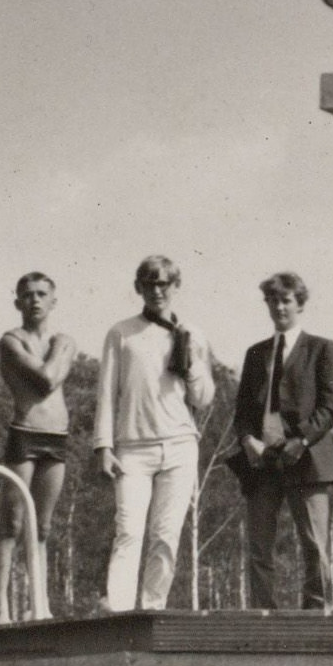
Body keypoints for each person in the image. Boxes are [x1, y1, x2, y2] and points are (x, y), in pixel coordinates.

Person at [94, 256, 215, 613]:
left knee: (165, 536)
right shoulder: (121, 333)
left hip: (179, 446)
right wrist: (103, 445)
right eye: (150, 283)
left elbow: (204, 399)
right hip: (133, 448)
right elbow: (106, 391)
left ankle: (152, 609)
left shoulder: (191, 333)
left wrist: (191, 362)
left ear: (176, 287)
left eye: (165, 283)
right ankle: (118, 613)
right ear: (138, 288)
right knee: (128, 532)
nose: (157, 290)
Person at [231, 273, 333, 610]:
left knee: (314, 545)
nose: (279, 307)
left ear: (300, 304)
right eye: (273, 301)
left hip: (306, 460)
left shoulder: (321, 349)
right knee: (259, 548)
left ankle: (317, 614)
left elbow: (330, 406)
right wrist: (248, 439)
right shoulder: (256, 354)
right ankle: (263, 614)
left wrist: (302, 440)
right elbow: (242, 411)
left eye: (287, 301)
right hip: (262, 462)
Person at [0, 271, 77, 623]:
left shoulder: (65, 341)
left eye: (42, 294)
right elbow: (45, 380)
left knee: (42, 528)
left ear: (53, 301)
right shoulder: (10, 341)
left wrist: (55, 350)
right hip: (25, 432)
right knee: (12, 522)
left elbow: (52, 375)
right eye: (28, 295)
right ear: (18, 302)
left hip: (56, 437)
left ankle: (39, 605)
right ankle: (1, 609)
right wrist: (56, 353)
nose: (35, 300)